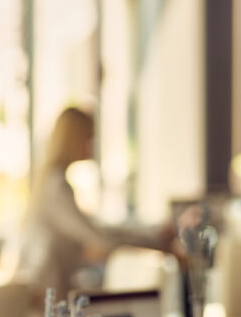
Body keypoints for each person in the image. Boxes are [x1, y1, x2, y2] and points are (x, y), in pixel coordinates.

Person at [17, 106, 175, 298]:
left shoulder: (52, 182)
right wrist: (154, 241)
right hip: (44, 294)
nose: (92, 146)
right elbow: (98, 238)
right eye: (89, 138)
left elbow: (98, 229)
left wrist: (151, 234)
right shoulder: (55, 187)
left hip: (48, 290)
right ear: (74, 139)